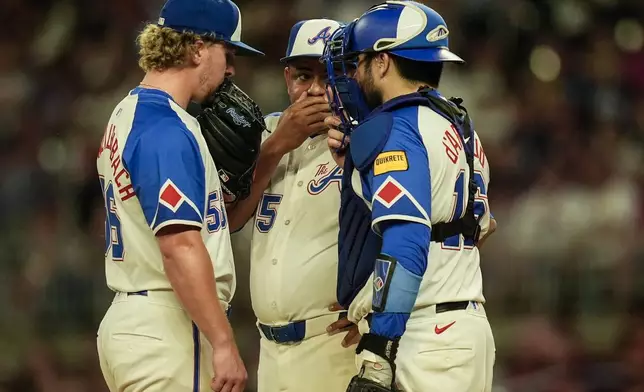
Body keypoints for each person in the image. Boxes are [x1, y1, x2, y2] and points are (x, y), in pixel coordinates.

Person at [322, 2, 497, 391]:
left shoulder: (396, 127)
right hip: (459, 329)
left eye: (360, 60)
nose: (353, 74)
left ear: (383, 62)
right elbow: (482, 227)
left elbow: (406, 240)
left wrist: (380, 345)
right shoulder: (458, 126)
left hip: (424, 335)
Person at [95, 0, 263, 391]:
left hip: (140, 317)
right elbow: (180, 246)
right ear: (198, 48)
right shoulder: (165, 128)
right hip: (167, 323)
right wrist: (222, 342)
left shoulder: (128, 111)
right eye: (228, 52)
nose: (232, 68)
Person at [225, 18, 359, 392]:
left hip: (334, 342)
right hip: (269, 349)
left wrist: (374, 303)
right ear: (287, 78)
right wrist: (275, 147)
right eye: (303, 76)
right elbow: (230, 219)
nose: (315, 90)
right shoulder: (261, 135)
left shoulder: (368, 138)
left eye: (328, 76)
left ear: (349, 75)